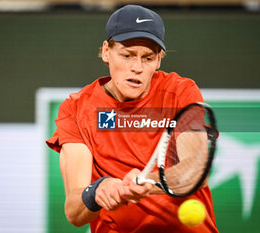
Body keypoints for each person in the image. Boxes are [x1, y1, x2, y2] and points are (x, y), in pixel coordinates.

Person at [46, 4, 218, 233]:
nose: (136, 67)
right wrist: (96, 192)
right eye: (127, 55)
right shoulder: (75, 109)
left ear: (158, 61)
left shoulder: (180, 92)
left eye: (147, 58)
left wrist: (148, 182)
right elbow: (74, 211)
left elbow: (196, 170)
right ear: (106, 51)